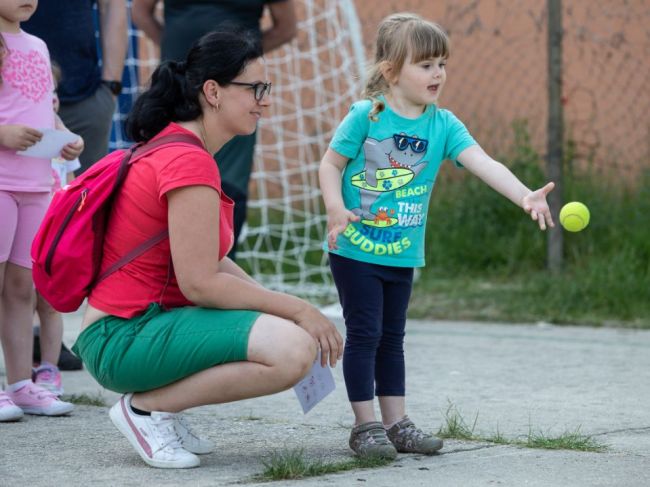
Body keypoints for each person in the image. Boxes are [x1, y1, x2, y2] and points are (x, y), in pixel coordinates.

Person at [70, 29, 343, 469]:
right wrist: (298, 310)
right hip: (121, 338)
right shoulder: (187, 160)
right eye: (255, 88)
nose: (265, 100)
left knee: (285, 332)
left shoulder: (180, 149)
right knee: (292, 351)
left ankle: (162, 408)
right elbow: (200, 283)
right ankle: (146, 410)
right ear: (212, 91)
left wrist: (280, 309)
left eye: (265, 88)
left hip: (133, 329)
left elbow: (211, 260)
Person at [319, 13, 555, 460]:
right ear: (391, 71)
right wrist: (335, 207)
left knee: (393, 337)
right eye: (425, 64)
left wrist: (525, 195)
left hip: (403, 252)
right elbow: (329, 165)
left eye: (442, 63)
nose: (438, 73)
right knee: (365, 333)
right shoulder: (366, 117)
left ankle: (397, 423)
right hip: (355, 249)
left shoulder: (443, 125)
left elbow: (484, 163)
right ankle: (365, 426)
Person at [131, 0, 297, 259]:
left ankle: (220, 265)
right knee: (171, 169)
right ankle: (164, 266)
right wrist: (191, 58)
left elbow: (286, 27)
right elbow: (141, 12)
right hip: (181, 85)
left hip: (234, 91)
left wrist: (235, 57)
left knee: (228, 180)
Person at [0, 0, 82, 422]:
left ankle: (20, 385)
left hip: (36, 186)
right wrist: (4, 134)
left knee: (21, 289)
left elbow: (46, 113)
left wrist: (66, 138)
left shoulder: (37, 45)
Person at [23, 0, 128, 175]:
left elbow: (112, 4)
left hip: (85, 101)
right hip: (13, 109)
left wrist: (111, 86)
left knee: (86, 199)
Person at [31, 62, 83, 396]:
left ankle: (48, 368)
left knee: (48, 303)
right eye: (42, 91)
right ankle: (22, 371)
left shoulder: (58, 131)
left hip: (50, 235)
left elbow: (72, 181)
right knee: (17, 300)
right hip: (19, 228)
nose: (50, 99)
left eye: (53, 92)